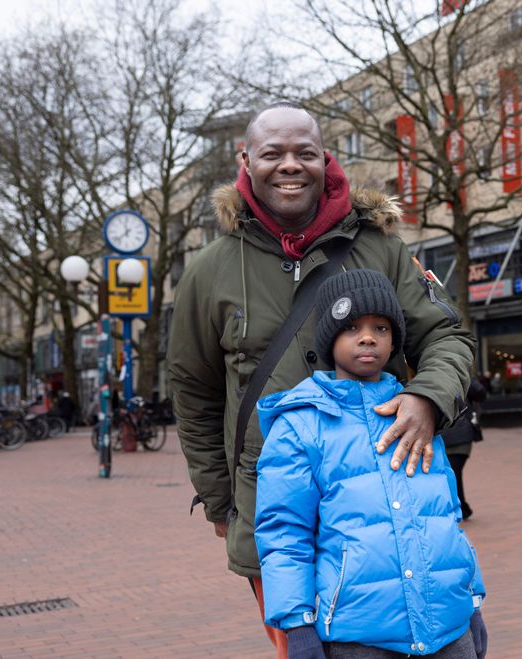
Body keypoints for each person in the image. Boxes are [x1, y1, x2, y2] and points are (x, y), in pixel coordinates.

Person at [167, 103, 475, 657]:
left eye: (304, 153)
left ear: (324, 158)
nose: (290, 165)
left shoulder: (382, 248)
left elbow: (448, 338)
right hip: (273, 522)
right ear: (247, 160)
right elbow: (193, 391)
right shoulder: (210, 268)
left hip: (382, 514)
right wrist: (220, 503)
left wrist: (428, 398)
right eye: (273, 153)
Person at [254, 270, 487, 659]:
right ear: (329, 338)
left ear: (395, 338)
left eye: (381, 327)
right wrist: (297, 624)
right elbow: (284, 533)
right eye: (351, 327)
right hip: (359, 637)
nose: (367, 337)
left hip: (446, 628)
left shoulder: (415, 413)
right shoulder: (300, 424)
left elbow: (444, 517)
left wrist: (472, 601)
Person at [442, 376, 487, 521]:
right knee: (450, 474)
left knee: (453, 473)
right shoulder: (429, 375)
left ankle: (461, 508)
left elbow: (480, 393)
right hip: (443, 438)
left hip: (460, 436)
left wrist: (465, 377)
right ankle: (460, 508)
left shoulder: (460, 375)